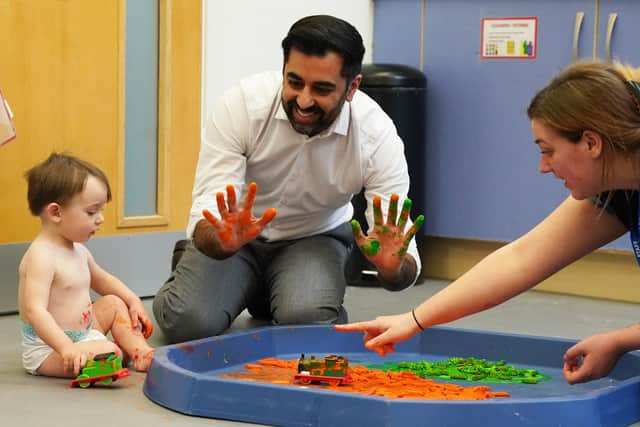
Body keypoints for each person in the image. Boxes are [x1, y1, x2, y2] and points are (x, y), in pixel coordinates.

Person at [336, 60, 640, 385]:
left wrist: (623, 339)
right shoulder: (617, 187)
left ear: (592, 143)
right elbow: (522, 259)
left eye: (548, 150)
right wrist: (414, 320)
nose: (543, 167)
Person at [152, 15, 424, 343]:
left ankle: (280, 290)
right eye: (294, 82)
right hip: (238, 238)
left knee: (307, 324)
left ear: (352, 87)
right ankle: (239, 280)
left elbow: (402, 259)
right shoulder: (241, 106)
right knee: (186, 322)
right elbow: (207, 214)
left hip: (315, 237)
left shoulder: (376, 136)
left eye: (322, 89)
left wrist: (392, 269)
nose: (304, 101)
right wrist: (219, 241)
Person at [18, 153, 155, 377]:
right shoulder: (41, 256)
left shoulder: (78, 250)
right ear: (56, 212)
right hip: (49, 350)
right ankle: (113, 353)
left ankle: (140, 352)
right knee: (111, 352)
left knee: (114, 303)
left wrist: (132, 300)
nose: (100, 218)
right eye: (91, 212)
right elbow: (35, 311)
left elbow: (103, 280)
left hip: (84, 333)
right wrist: (66, 348)